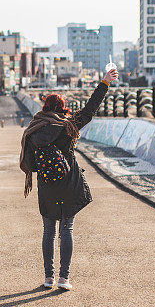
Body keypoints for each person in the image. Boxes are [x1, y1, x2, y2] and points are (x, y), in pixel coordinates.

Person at [19, 70, 117, 290]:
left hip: (47, 187)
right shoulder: (68, 125)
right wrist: (104, 83)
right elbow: (90, 110)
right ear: (62, 108)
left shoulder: (34, 130)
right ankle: (64, 279)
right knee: (67, 230)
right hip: (69, 183)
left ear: (44, 108)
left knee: (48, 231)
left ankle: (48, 278)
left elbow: (32, 164)